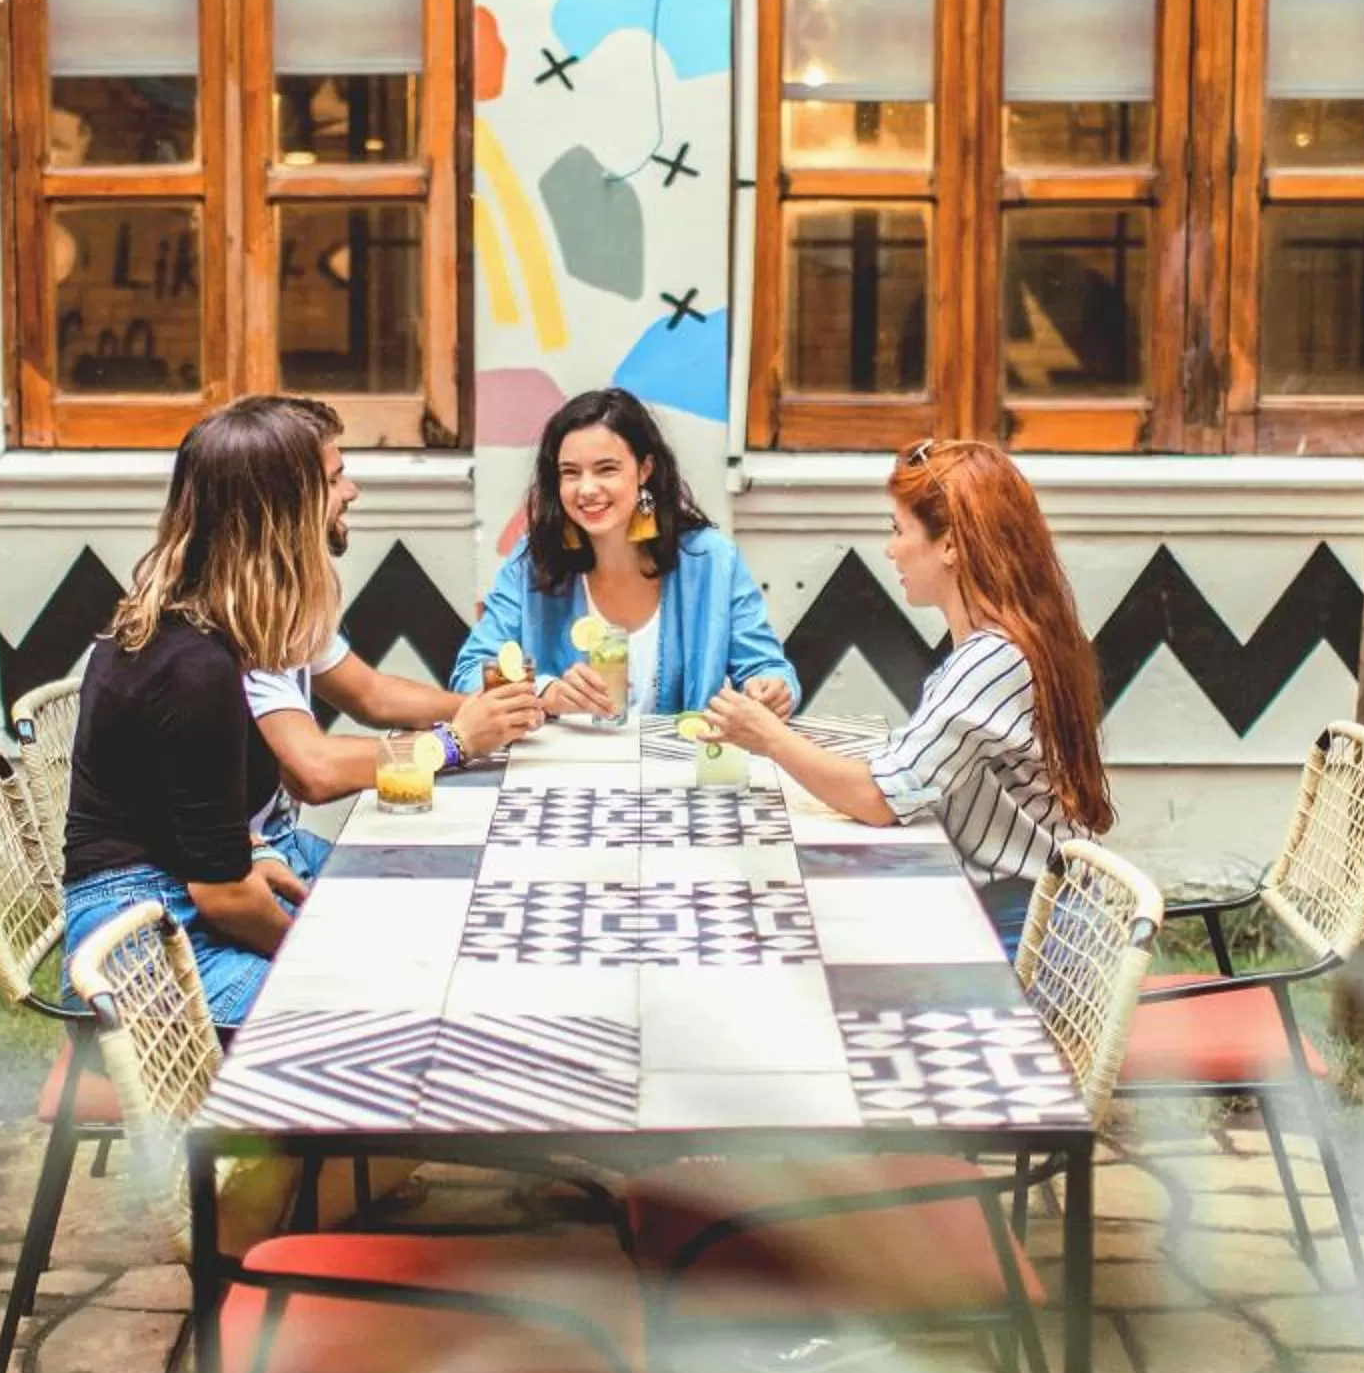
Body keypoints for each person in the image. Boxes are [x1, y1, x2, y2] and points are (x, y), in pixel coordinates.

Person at [701, 437, 1112, 961]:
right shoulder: (1006, 642)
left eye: (899, 530)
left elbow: (878, 799)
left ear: (951, 545)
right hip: (1027, 915)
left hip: (1031, 939)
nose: (891, 548)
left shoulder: (990, 660)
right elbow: (907, 775)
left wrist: (770, 738)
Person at [60, 400, 343, 1028]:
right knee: (358, 1005)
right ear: (283, 516)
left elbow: (192, 822)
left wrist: (254, 849)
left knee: (386, 914)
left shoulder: (198, 626)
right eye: (330, 482)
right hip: (137, 941)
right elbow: (223, 896)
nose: (348, 493)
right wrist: (320, 961)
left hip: (164, 901)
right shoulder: (196, 665)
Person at [241, 396, 543, 858]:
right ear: (289, 502)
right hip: (205, 883)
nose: (352, 491)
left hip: (272, 849)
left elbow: (370, 695)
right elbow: (312, 771)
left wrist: (488, 712)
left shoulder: (280, 596)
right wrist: (453, 742)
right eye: (335, 478)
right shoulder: (240, 616)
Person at [452, 387, 799, 720]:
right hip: (563, 771)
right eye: (570, 473)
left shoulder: (711, 561)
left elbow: (766, 668)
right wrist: (546, 694)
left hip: (682, 771)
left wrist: (771, 689)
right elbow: (470, 674)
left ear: (645, 469)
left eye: (606, 469)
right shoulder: (532, 561)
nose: (586, 489)